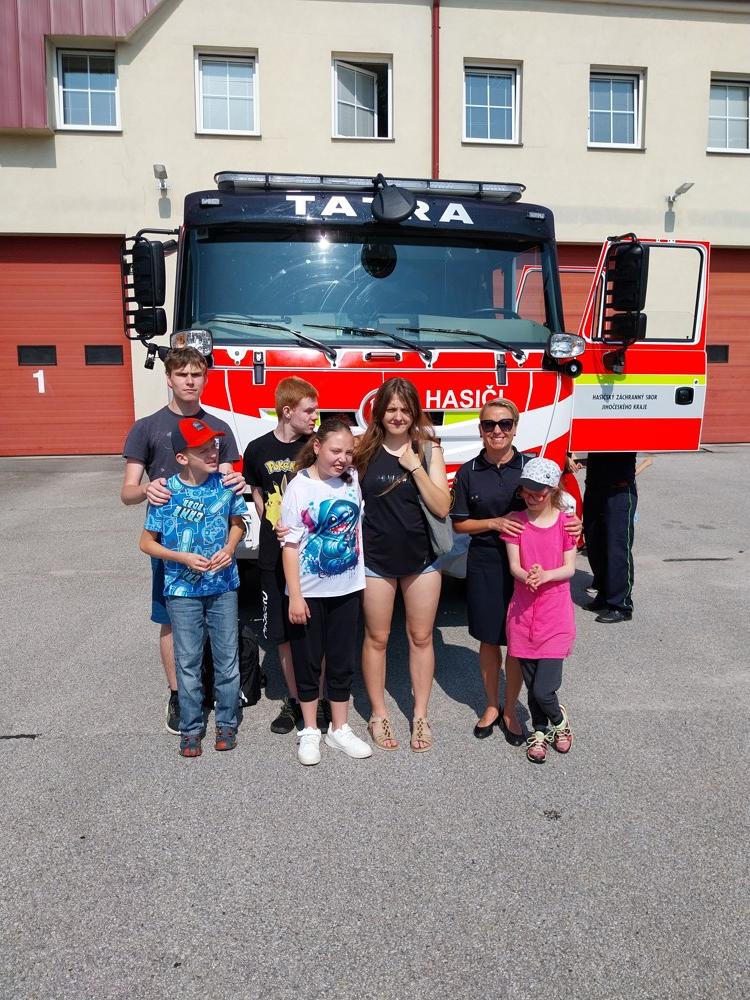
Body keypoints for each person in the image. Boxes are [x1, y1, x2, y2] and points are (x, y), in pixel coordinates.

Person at [121, 347, 244, 734]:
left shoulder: (218, 426)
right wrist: (146, 489)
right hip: (170, 543)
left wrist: (237, 482)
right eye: (182, 374)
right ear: (169, 379)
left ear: (205, 379)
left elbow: (227, 483)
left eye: (197, 374)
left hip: (213, 545)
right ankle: (178, 694)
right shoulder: (147, 427)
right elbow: (126, 492)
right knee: (171, 620)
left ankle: (218, 692)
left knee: (219, 622)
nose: (190, 381)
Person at [139, 418, 247, 757]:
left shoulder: (225, 486)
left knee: (226, 658)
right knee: (187, 661)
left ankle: (226, 722)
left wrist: (230, 548)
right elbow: (146, 543)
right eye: (203, 450)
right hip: (181, 591)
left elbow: (238, 524)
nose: (213, 453)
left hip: (223, 585)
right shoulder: (166, 493)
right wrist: (181, 557)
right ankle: (190, 727)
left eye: (214, 446)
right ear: (182, 458)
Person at [355, 378, 450, 753]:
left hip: (421, 560)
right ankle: (378, 713)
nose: (398, 416)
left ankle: (421, 715)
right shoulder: (362, 450)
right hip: (374, 560)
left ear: (415, 413)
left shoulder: (427, 449)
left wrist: (415, 468)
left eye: (405, 410)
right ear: (379, 412)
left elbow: (442, 506)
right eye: (391, 409)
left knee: (421, 637)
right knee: (376, 639)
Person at [279, 417, 371, 766]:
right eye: (335, 450)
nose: (342, 458)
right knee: (308, 661)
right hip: (308, 593)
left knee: (342, 660)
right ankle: (309, 730)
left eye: (348, 452)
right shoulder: (298, 487)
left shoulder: (353, 479)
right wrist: (296, 596)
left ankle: (339, 728)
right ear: (316, 446)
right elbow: (290, 546)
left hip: (347, 588)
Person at [242, 376, 327, 735]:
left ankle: (319, 699)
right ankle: (294, 700)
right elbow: (257, 491)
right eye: (309, 411)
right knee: (281, 634)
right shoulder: (257, 449)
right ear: (288, 411)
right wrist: (271, 519)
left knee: (314, 630)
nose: (315, 417)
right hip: (272, 557)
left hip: (311, 557)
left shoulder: (316, 446)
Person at [451, 399, 532, 745]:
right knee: (488, 638)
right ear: (480, 430)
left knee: (517, 639)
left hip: (526, 564)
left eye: (504, 424)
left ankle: (511, 708)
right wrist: (494, 523)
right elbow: (459, 524)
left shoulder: (531, 467)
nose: (497, 430)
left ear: (515, 428)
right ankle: (490, 705)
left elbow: (555, 508)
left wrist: (572, 524)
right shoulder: (468, 472)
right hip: (484, 561)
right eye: (489, 425)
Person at [501, 458, 576, 765]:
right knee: (533, 685)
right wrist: (528, 575)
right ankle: (540, 730)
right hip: (523, 615)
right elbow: (514, 565)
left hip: (555, 615)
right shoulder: (516, 522)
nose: (531, 496)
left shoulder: (565, 523)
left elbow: (569, 568)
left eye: (539, 492)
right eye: (527, 490)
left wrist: (545, 575)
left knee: (545, 689)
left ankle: (559, 721)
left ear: (553, 489)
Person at [582, 452, 637, 623]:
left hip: (619, 488)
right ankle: (604, 594)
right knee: (595, 543)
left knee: (617, 547)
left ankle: (621, 605)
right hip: (594, 485)